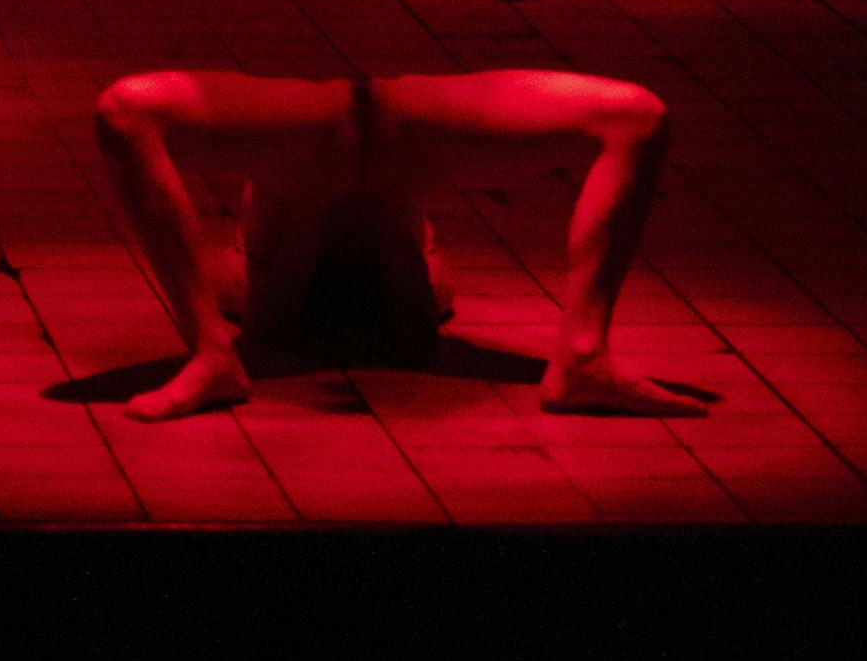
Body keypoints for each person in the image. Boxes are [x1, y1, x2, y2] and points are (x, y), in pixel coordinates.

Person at [88, 67, 710, 421]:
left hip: (325, 137)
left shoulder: (260, 287)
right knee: (637, 116)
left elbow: (263, 306)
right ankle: (583, 355)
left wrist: (306, 221)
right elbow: (420, 313)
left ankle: (210, 356)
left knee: (126, 109)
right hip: (393, 132)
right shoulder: (415, 296)